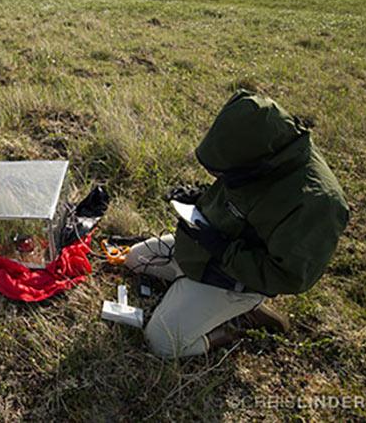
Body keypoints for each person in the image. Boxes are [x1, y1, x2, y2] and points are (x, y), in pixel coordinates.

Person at [126, 90, 349, 358]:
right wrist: (199, 199)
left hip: (235, 277)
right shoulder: (260, 148)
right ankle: (196, 298)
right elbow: (237, 197)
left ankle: (236, 321)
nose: (220, 177)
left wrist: (222, 249)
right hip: (204, 249)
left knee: (161, 342)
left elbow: (288, 276)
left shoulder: (317, 203)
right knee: (135, 259)